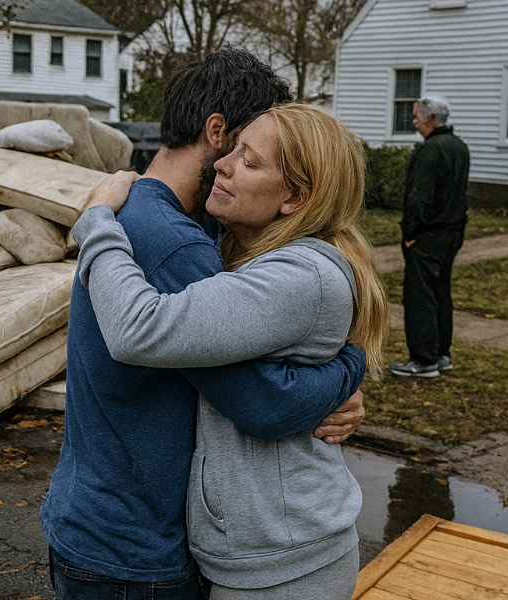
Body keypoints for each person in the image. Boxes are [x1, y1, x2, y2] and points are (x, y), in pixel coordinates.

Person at [39, 48, 368, 600]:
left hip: (98, 522)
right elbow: (264, 400)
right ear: (217, 132)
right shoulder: (174, 243)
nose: (229, 165)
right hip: (135, 549)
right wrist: (347, 366)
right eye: (239, 147)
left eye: (253, 158)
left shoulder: (148, 214)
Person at [389, 95, 470, 378]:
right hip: (452, 233)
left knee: (420, 295)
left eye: (417, 117)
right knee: (440, 291)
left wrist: (410, 233)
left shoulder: (431, 151)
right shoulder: (459, 147)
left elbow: (418, 199)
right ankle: (441, 353)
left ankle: (423, 360)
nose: (414, 122)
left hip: (427, 236)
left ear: (432, 118)